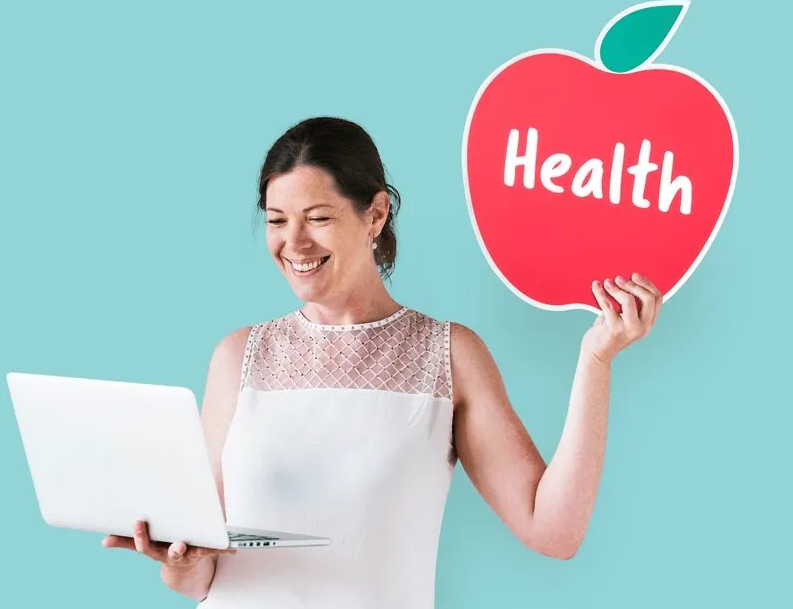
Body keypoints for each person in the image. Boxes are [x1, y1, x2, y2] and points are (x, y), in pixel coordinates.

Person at [102, 116, 662, 607]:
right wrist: (178, 562)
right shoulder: (238, 358)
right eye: (276, 220)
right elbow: (203, 577)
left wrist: (597, 361)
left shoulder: (447, 355)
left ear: (375, 214)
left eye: (317, 217)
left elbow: (553, 531)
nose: (293, 242)